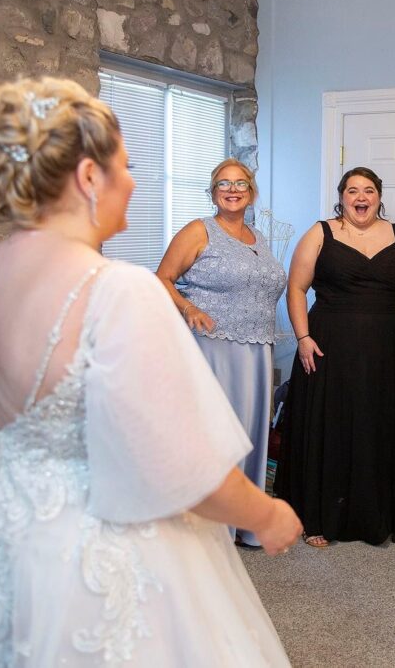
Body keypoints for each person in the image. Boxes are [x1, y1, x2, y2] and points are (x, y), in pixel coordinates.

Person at [0, 77, 301, 667]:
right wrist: (267, 513)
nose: (132, 183)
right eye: (126, 166)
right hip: (100, 541)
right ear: (86, 178)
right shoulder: (118, 290)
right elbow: (176, 464)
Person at [273, 167, 395, 547]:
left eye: (369, 190)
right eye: (352, 190)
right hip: (328, 344)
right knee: (330, 424)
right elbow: (296, 288)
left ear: (379, 197)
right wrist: (303, 337)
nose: (361, 197)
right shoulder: (320, 234)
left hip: (387, 347)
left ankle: (379, 516)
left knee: (380, 424)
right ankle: (317, 517)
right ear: (341, 197)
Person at [156, 158, 287, 547]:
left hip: (257, 351)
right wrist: (190, 308)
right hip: (214, 348)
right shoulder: (200, 231)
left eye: (240, 184)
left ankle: (241, 520)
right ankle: (207, 526)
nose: (232, 190)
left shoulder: (258, 237)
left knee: (246, 434)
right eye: (224, 184)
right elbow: (162, 277)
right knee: (214, 434)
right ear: (213, 192)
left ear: (252, 192)